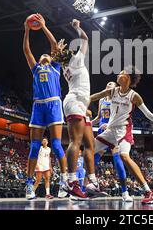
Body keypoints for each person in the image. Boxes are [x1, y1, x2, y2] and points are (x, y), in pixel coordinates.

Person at [90, 66, 153, 204]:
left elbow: (148, 114)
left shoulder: (134, 96)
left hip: (124, 130)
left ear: (128, 78)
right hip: (111, 130)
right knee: (88, 151)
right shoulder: (113, 91)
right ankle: (83, 183)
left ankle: (148, 191)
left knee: (124, 156)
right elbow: (95, 96)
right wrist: (82, 102)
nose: (119, 74)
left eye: (122, 73)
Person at [54, 19, 101, 200]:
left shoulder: (66, 64)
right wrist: (77, 27)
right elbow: (85, 39)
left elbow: (59, 56)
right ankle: (72, 181)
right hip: (74, 102)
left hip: (80, 104)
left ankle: (91, 181)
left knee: (90, 143)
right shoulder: (75, 60)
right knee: (76, 141)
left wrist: (58, 51)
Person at [23, 13, 68, 200]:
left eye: (47, 55)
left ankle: (65, 181)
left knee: (57, 145)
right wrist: (26, 30)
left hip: (54, 104)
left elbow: (54, 46)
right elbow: (27, 50)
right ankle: (28, 185)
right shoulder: (35, 69)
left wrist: (43, 27)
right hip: (38, 106)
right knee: (34, 147)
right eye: (42, 55)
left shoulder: (55, 67)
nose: (44, 55)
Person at [91, 81, 132, 202]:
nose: (108, 85)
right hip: (102, 131)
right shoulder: (101, 100)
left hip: (114, 131)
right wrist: (89, 123)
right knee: (92, 157)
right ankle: (86, 188)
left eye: (111, 84)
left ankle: (125, 192)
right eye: (107, 83)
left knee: (117, 157)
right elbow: (99, 118)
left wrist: (108, 125)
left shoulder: (118, 101)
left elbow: (121, 118)